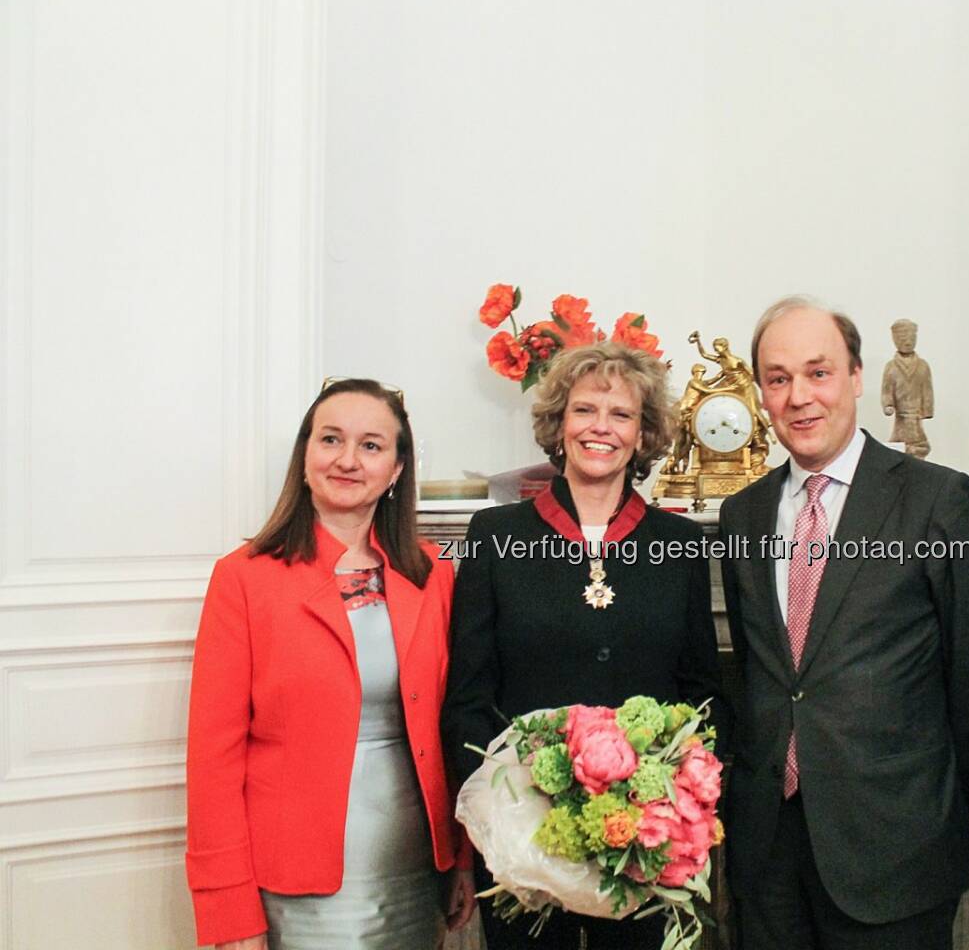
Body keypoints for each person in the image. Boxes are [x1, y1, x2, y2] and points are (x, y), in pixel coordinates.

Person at [717, 295, 969, 950]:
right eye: (778, 378)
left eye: (818, 373)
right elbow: (765, 681)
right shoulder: (744, 516)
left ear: (854, 376)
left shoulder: (935, 500)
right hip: (768, 857)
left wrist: (931, 808)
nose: (799, 396)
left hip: (897, 851)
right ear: (761, 392)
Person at [442, 341, 727, 950]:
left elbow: (702, 693)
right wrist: (497, 827)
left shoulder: (679, 544)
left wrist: (678, 811)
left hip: (644, 852)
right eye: (584, 410)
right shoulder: (496, 535)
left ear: (644, 433)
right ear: (558, 425)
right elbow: (467, 699)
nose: (601, 427)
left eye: (621, 414)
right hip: (524, 849)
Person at [185, 378, 474, 950]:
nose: (347, 460)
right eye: (331, 440)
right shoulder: (243, 578)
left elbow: (452, 728)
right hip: (292, 878)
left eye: (371, 446)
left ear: (396, 469)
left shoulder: (432, 573)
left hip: (418, 868)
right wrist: (229, 908)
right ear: (305, 455)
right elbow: (212, 758)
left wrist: (463, 858)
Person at [880, 318, 934, 458]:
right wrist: (888, 405)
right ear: (895, 339)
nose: (908, 341)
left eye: (911, 337)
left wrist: (927, 410)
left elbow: (927, 390)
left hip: (916, 417)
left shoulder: (923, 366)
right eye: (903, 337)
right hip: (901, 418)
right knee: (899, 446)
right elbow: (887, 390)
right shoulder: (891, 367)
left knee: (919, 446)